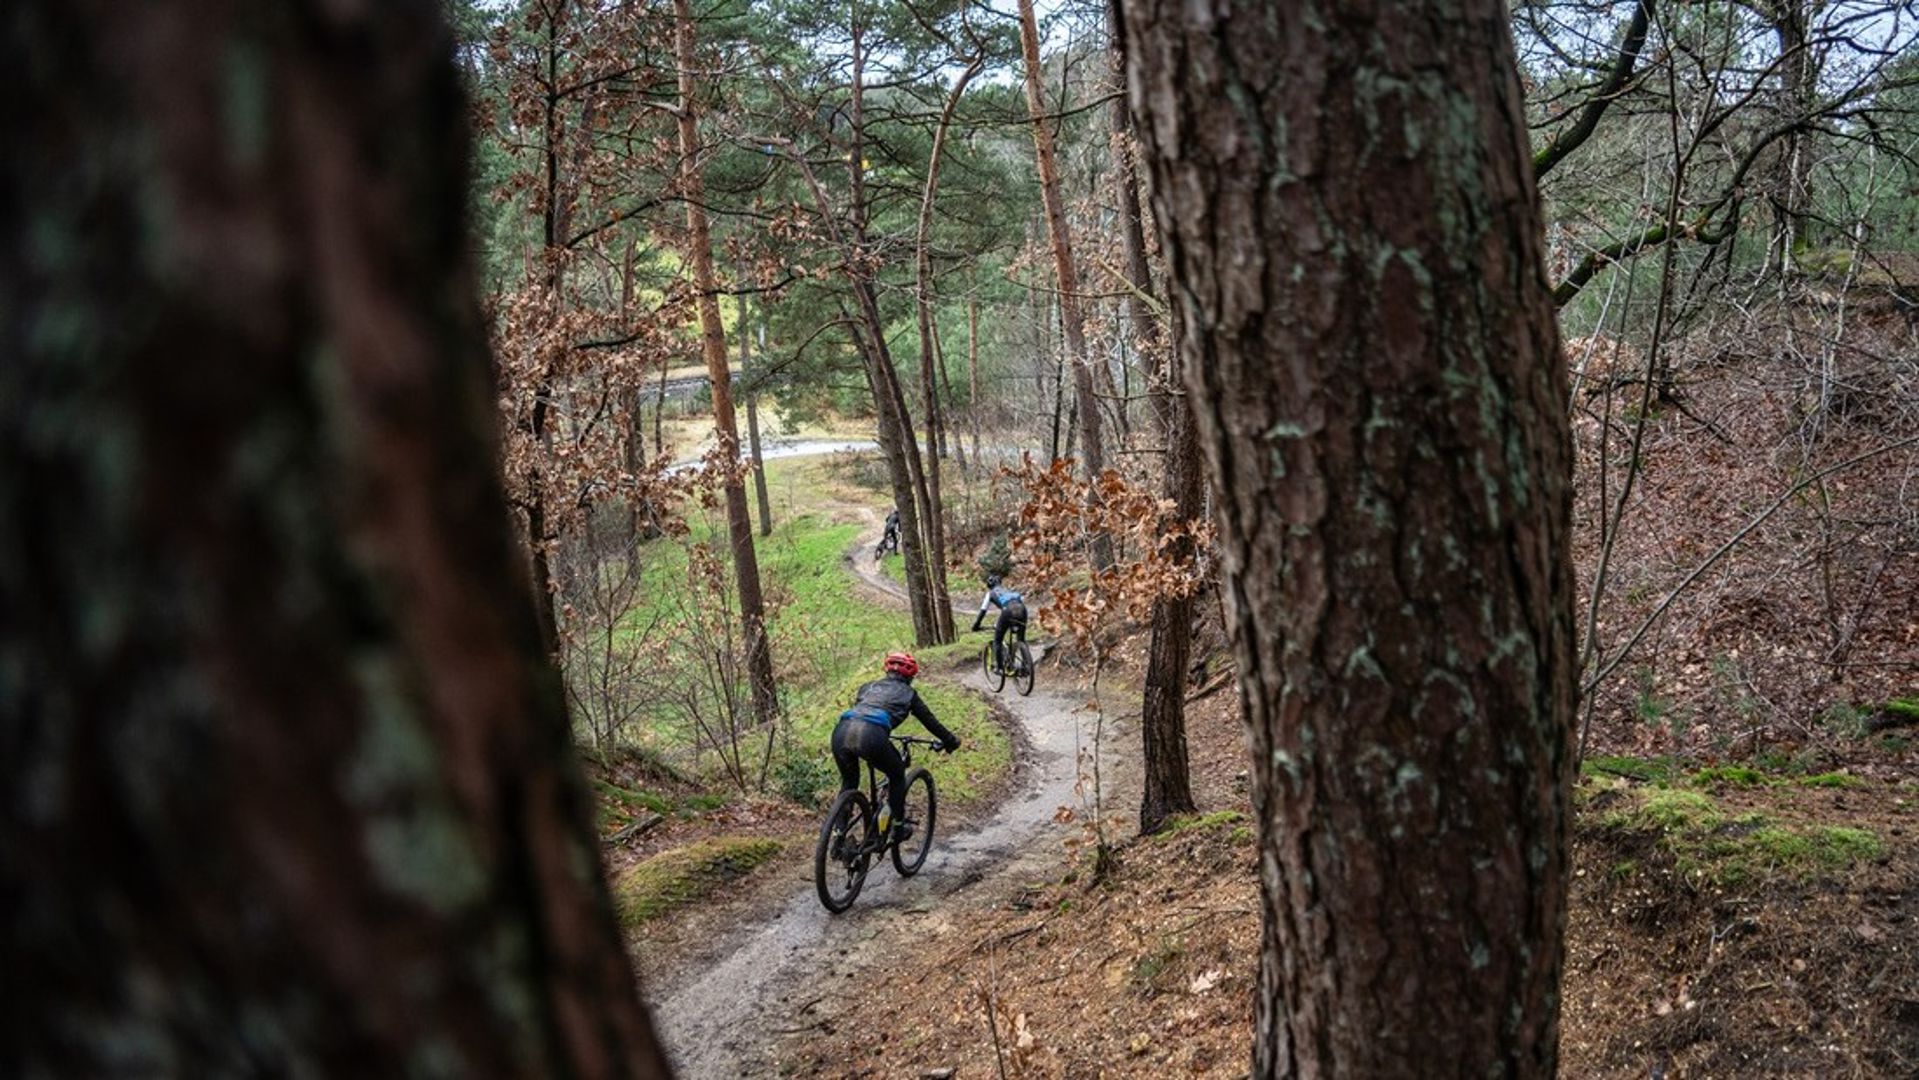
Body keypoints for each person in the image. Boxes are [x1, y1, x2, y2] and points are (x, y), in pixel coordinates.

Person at [833, 652, 959, 842]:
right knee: (897, 775)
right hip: (871, 735)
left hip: (841, 731)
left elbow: (866, 709)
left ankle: (838, 833)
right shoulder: (909, 694)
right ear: (909, 677)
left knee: (850, 781)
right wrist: (950, 741)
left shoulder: (868, 687)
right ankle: (898, 827)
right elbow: (930, 721)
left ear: (887, 671)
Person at [970, 575, 1028, 671]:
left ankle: (999, 667)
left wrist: (976, 626)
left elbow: (983, 611)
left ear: (989, 585)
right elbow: (1020, 600)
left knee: (997, 640)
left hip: (1007, 611)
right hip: (1022, 610)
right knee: (1021, 639)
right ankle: (1026, 665)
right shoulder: (1008, 590)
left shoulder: (991, 593)